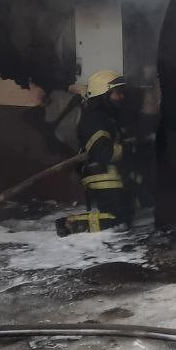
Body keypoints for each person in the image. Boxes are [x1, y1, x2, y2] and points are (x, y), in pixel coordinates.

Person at [57, 69, 135, 235]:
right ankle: (69, 225)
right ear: (103, 96)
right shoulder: (96, 119)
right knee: (118, 222)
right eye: (116, 93)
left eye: (121, 93)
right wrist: (130, 149)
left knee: (129, 214)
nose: (121, 97)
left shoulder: (107, 116)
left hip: (111, 172)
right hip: (103, 174)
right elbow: (103, 153)